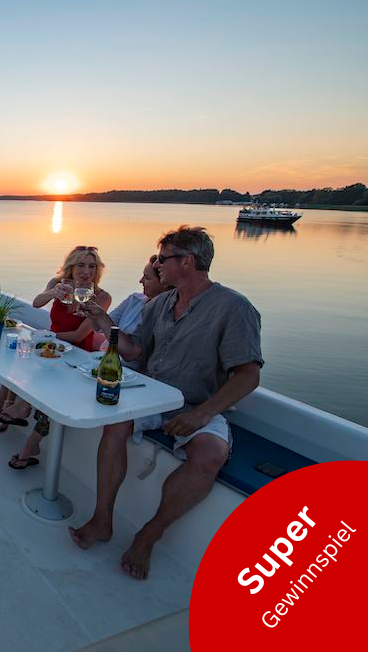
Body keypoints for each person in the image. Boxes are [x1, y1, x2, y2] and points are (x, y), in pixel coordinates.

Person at [72, 226, 262, 579]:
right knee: (114, 422)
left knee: (210, 456)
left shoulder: (233, 308)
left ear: (187, 262)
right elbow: (136, 349)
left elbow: (248, 375)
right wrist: (104, 325)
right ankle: (102, 521)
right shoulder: (159, 303)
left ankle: (149, 534)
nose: (157, 265)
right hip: (152, 394)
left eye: (163, 259)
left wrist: (203, 415)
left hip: (199, 403)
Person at [0, 246, 112, 447]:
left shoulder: (102, 297)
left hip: (77, 356)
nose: (86, 271)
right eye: (81, 265)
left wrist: (42, 337)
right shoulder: (58, 284)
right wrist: (53, 292)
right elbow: (37, 303)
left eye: (92, 266)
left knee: (43, 375)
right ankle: (4, 404)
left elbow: (79, 335)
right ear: (70, 267)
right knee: (19, 355)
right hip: (52, 347)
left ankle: (24, 422)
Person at [98, 255, 167, 369]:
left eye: (147, 278)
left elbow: (132, 354)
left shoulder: (164, 314)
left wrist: (100, 314)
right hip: (109, 362)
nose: (140, 281)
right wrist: (93, 311)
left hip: (133, 372)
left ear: (164, 282)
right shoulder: (135, 299)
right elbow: (101, 327)